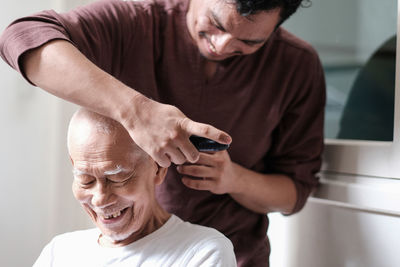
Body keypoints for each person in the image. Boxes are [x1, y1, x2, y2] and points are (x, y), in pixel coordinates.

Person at [0, 0, 326, 266]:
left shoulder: (296, 66)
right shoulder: (136, 25)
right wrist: (136, 111)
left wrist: (234, 179)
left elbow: (294, 190)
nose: (223, 45)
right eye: (216, 22)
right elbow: (24, 35)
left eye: (250, 41)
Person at [33, 108, 237, 266]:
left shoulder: (202, 252)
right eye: (86, 180)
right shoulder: (59, 252)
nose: (100, 199)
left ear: (158, 168)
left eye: (117, 179)